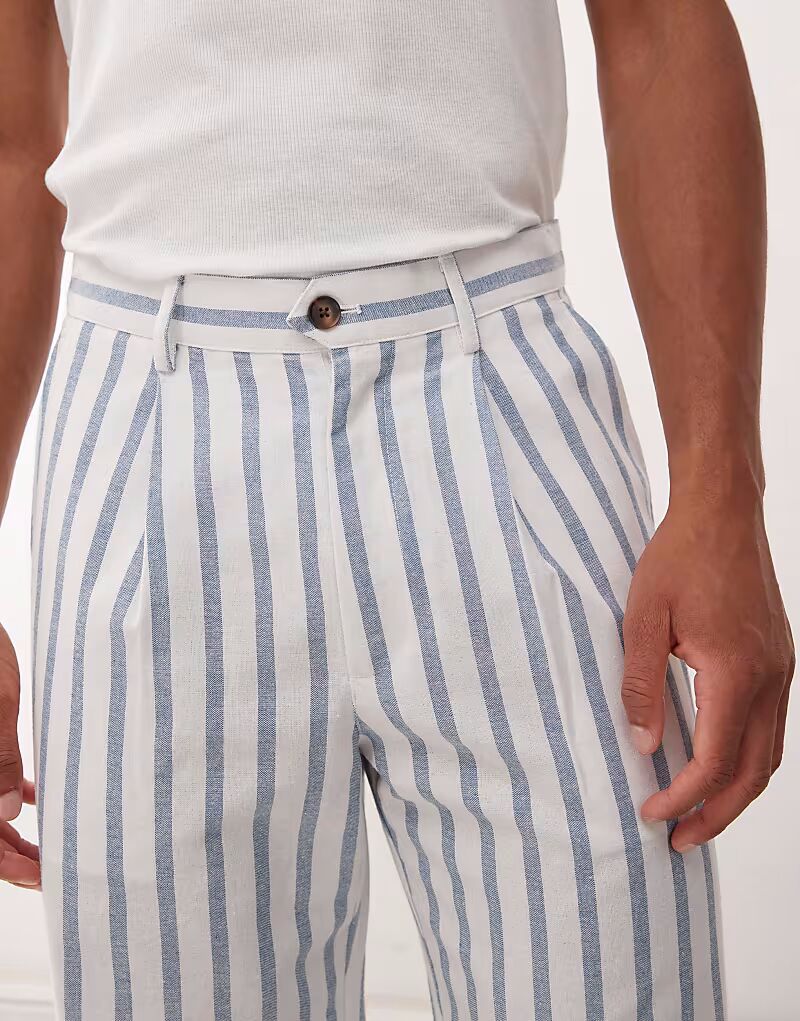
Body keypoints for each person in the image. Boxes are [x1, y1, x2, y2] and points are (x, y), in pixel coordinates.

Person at [0, 0, 793, 1017]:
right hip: (149, 422)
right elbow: (16, 144)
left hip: (497, 390)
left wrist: (724, 491)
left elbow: (659, 27)